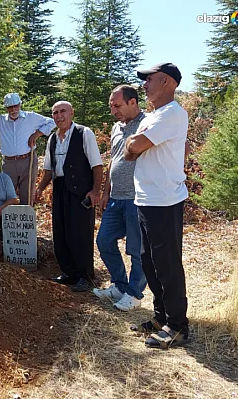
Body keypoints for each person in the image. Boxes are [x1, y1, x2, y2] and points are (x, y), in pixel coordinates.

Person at [124, 62, 190, 349]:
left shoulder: (173, 114)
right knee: (149, 262)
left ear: (167, 82)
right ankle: (161, 316)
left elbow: (134, 147)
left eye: (149, 79)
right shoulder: (154, 116)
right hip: (146, 198)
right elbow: (132, 148)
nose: (145, 85)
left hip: (165, 200)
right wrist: (135, 144)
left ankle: (177, 326)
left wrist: (135, 144)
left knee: (167, 265)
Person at [35, 101, 103, 292]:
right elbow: (48, 169)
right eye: (55, 113)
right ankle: (69, 272)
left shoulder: (84, 133)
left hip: (81, 191)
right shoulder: (52, 139)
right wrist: (40, 189)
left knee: (80, 234)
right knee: (61, 232)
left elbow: (97, 165)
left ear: (71, 113)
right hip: (60, 188)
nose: (58, 116)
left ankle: (85, 276)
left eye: (62, 111)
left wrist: (96, 191)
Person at [92, 85, 147, 311]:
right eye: (111, 106)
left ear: (132, 102)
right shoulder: (116, 127)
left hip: (138, 198)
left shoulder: (147, 123)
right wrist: (105, 192)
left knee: (137, 249)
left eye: (117, 106)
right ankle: (119, 285)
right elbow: (114, 160)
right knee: (103, 241)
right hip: (115, 197)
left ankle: (134, 294)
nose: (113, 111)